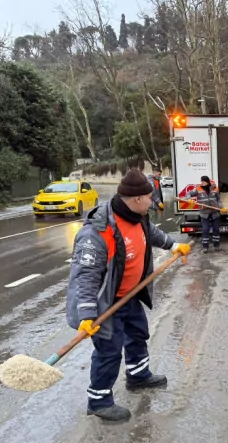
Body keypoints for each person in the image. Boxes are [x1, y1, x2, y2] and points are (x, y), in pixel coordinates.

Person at [66, 169, 192, 421]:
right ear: (136, 199)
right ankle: (99, 401)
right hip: (105, 303)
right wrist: (88, 315)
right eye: (150, 197)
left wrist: (173, 245)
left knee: (137, 335)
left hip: (130, 295)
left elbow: (152, 234)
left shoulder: (139, 216)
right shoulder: (98, 232)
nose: (153, 202)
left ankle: (138, 376)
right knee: (109, 350)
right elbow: (87, 276)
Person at [186, 175, 226, 253]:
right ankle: (205, 247)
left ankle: (216, 245)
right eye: (201, 181)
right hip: (204, 213)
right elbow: (189, 193)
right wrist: (189, 199)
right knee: (205, 229)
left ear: (207, 182)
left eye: (203, 181)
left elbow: (218, 200)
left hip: (215, 213)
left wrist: (222, 207)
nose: (202, 183)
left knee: (216, 229)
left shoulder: (215, 188)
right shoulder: (198, 189)